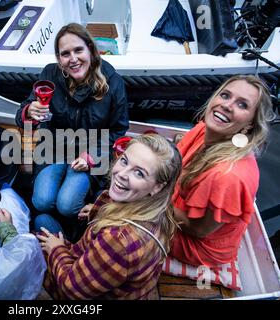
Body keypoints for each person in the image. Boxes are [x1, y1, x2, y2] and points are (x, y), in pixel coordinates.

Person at [15, 23, 129, 237]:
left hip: (89, 156)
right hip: (54, 150)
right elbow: (23, 116)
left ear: (90, 50)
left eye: (78, 50)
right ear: (59, 59)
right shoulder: (50, 75)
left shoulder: (113, 82)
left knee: (67, 204)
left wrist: (92, 157)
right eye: (65, 54)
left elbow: (118, 130)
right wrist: (29, 112)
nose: (73, 59)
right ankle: (55, 226)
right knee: (42, 200)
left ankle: (76, 231)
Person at [37, 134, 182, 299]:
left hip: (74, 289)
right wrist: (96, 210)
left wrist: (56, 249)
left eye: (139, 173)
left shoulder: (118, 240)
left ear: (157, 186)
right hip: (117, 284)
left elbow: (71, 290)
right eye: (124, 161)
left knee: (39, 226)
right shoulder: (160, 210)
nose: (121, 174)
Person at [170, 75, 276, 267]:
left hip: (196, 243)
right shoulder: (205, 130)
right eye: (225, 95)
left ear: (250, 123)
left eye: (242, 105)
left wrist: (150, 199)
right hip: (180, 211)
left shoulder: (228, 176)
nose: (227, 105)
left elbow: (198, 230)